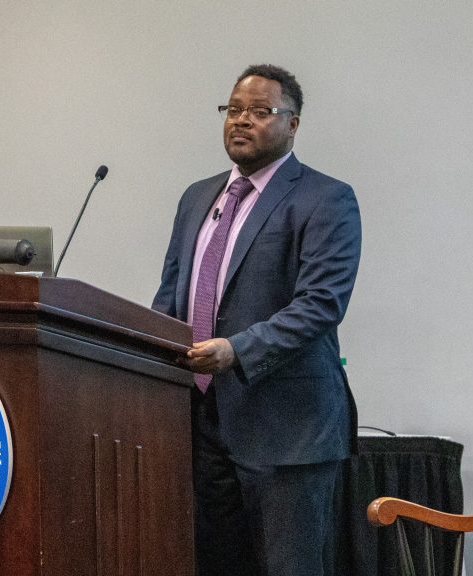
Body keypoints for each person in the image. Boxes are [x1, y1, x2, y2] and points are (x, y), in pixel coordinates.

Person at [152, 64, 362, 576]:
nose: (241, 120)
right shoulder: (197, 197)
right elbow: (170, 296)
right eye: (234, 109)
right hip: (201, 423)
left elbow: (320, 303)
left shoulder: (326, 198)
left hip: (286, 430)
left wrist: (237, 349)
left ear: (292, 124)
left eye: (260, 111)